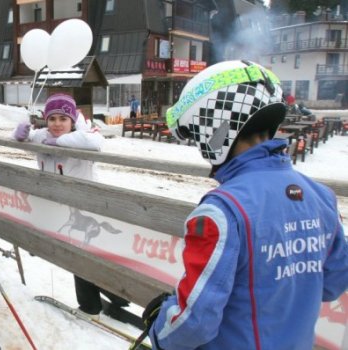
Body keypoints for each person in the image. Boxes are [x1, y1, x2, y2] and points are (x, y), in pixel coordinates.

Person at [142, 60, 348, 350]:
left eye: (197, 133)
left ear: (214, 125)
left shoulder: (222, 212)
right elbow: (333, 283)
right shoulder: (321, 196)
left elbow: (194, 324)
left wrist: (158, 327)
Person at [13, 93, 130, 321]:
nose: (57, 124)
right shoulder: (44, 136)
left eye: (63, 119)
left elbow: (96, 142)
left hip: (85, 206)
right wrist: (20, 133)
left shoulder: (83, 135)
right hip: (59, 207)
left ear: (73, 120)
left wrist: (59, 143)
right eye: (52, 118)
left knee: (82, 254)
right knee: (78, 254)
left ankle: (92, 304)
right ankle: (113, 297)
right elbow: (26, 136)